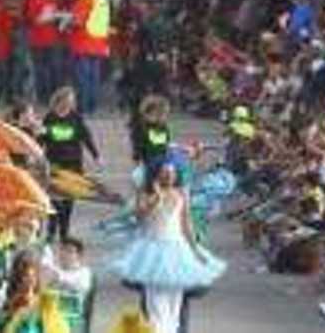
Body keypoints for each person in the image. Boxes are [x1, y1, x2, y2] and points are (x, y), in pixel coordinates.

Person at [111, 162, 225, 333]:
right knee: (153, 300)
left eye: (172, 173)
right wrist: (157, 197)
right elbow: (140, 216)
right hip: (152, 249)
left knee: (176, 301)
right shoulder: (146, 193)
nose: (169, 176)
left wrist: (194, 250)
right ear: (156, 175)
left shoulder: (181, 193)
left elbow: (187, 224)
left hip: (177, 248)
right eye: (164, 172)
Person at [40, 86, 100, 238]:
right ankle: (52, 229)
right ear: (58, 101)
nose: (69, 104)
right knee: (54, 200)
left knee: (68, 201)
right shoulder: (49, 118)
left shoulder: (76, 118)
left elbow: (86, 137)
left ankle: (64, 231)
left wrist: (95, 155)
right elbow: (41, 139)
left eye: (71, 101)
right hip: (54, 164)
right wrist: (37, 156)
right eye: (66, 101)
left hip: (73, 164)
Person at [71, 0, 113, 114]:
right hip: (99, 44)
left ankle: (84, 107)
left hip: (84, 43)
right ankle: (93, 107)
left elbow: (78, 21)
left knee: (83, 78)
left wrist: (67, 21)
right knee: (94, 78)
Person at [26, 0, 62, 103]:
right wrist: (47, 17)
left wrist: (58, 17)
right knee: (40, 70)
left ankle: (52, 96)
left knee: (54, 69)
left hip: (52, 39)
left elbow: (55, 15)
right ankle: (43, 96)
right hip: (37, 40)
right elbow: (32, 18)